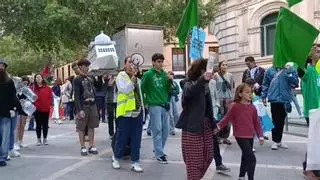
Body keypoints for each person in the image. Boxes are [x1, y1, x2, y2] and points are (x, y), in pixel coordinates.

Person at [218, 83, 264, 180]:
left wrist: (260, 136)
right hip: (240, 135)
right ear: (240, 94)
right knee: (251, 159)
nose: (250, 94)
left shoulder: (253, 108)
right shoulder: (235, 106)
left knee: (245, 155)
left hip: (250, 135)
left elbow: (257, 123)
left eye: (251, 92)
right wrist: (218, 127)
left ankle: (241, 176)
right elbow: (227, 118)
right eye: (247, 92)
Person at [112, 56, 144, 172]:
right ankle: (116, 158)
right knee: (122, 137)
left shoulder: (137, 79)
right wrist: (133, 79)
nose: (132, 64)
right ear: (125, 64)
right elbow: (125, 89)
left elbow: (140, 95)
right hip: (125, 112)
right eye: (130, 62)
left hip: (137, 111)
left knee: (137, 138)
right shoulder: (121, 76)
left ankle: (135, 162)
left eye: (133, 62)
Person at [141, 53, 172, 164]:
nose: (160, 64)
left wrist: (170, 81)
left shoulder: (164, 74)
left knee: (166, 130)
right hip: (154, 105)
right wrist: (145, 103)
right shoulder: (148, 74)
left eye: (161, 61)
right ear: (153, 62)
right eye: (158, 61)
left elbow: (168, 89)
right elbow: (142, 89)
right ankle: (159, 154)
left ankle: (158, 150)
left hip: (164, 104)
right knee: (157, 130)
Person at [261, 64, 299, 150]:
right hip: (274, 98)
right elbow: (265, 83)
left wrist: (290, 72)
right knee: (275, 119)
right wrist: (264, 96)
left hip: (285, 99)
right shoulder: (270, 70)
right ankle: (275, 140)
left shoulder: (290, 69)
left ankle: (279, 140)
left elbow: (295, 83)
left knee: (281, 120)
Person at [0, 59, 24, 166]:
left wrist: (16, 108)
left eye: (2, 67)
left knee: (5, 136)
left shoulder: (8, 82)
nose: (1, 69)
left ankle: (2, 157)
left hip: (5, 113)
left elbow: (13, 97)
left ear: (5, 69)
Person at [73, 59, 99, 156]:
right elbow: (76, 95)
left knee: (92, 126)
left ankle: (91, 145)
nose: (87, 67)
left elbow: (98, 87)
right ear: (80, 67)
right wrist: (79, 110)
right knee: (81, 127)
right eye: (85, 66)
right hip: (83, 105)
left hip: (92, 104)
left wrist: (102, 78)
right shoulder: (77, 79)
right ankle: (83, 146)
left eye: (88, 65)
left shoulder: (91, 77)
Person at [208, 65, 231, 173]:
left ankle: (219, 163)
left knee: (214, 139)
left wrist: (216, 107)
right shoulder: (197, 83)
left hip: (212, 114)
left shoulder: (212, 83)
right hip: (200, 118)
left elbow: (216, 97)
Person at [214, 60, 234, 145]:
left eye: (226, 65)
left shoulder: (230, 75)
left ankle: (225, 137)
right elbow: (214, 88)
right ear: (220, 66)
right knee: (219, 118)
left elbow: (232, 87)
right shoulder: (215, 75)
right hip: (219, 98)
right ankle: (218, 136)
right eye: (223, 65)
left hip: (228, 98)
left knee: (228, 118)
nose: (225, 66)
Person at [32, 74, 53, 146]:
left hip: (45, 108)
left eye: (39, 77)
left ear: (42, 78)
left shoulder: (47, 88)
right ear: (35, 79)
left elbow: (50, 97)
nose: (38, 78)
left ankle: (45, 139)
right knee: (38, 124)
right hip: (36, 109)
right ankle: (38, 139)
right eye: (37, 77)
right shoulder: (33, 88)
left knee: (45, 124)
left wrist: (49, 103)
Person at [15, 76, 31, 150]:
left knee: (23, 125)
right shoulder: (17, 89)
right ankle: (15, 142)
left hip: (25, 108)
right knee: (18, 126)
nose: (25, 82)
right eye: (24, 81)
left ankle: (21, 141)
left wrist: (27, 101)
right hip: (18, 108)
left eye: (26, 81)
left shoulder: (28, 90)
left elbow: (31, 98)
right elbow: (15, 97)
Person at [168, 71, 180, 136]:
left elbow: (177, 91)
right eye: (170, 75)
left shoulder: (175, 83)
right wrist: (173, 91)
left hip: (174, 100)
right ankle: (171, 129)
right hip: (169, 100)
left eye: (172, 75)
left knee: (176, 114)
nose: (171, 77)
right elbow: (168, 91)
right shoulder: (167, 83)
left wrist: (173, 91)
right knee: (170, 115)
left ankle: (175, 127)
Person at [105, 74, 117, 139]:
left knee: (118, 117)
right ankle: (111, 133)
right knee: (110, 117)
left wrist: (116, 81)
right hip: (110, 100)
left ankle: (118, 132)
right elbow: (104, 89)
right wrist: (109, 82)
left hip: (118, 100)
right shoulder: (107, 79)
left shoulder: (119, 78)